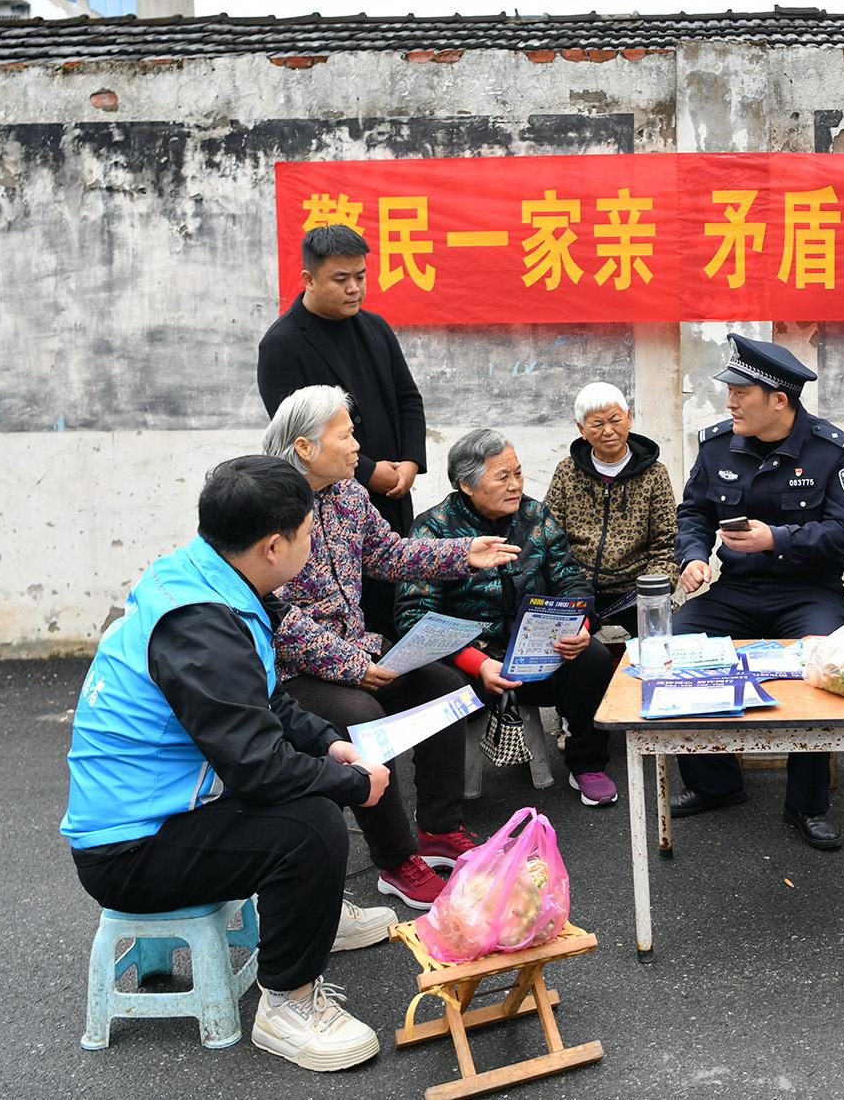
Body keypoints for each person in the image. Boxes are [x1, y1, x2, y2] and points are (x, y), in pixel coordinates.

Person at [61, 456, 396, 1073]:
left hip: (169, 812)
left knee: (309, 793)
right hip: (129, 853)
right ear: (273, 547)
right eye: (307, 533)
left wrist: (328, 744)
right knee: (313, 825)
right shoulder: (201, 626)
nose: (312, 543)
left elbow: (264, 698)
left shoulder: (203, 576)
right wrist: (353, 783)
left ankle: (313, 913)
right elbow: (259, 768)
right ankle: (288, 1005)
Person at [262, 386, 518, 909]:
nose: (359, 446)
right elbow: (275, 616)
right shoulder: (267, 506)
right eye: (346, 435)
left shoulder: (348, 494)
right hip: (292, 671)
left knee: (445, 687)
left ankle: (440, 830)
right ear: (305, 447)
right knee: (364, 717)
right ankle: (396, 860)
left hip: (357, 648)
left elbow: (390, 554)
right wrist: (353, 666)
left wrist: (463, 553)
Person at [669, 334, 844, 851]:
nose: (730, 402)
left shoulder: (831, 451)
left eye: (741, 393)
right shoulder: (716, 446)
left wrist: (776, 538)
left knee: (820, 663)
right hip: (736, 590)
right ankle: (714, 782)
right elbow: (694, 512)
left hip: (808, 591)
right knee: (678, 644)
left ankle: (807, 804)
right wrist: (693, 556)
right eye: (730, 391)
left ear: (779, 399)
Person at [396, 429, 619, 807]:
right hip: (467, 663)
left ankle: (587, 763)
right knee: (435, 683)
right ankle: (440, 802)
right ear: (466, 484)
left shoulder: (535, 516)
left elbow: (571, 580)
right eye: (502, 476)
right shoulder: (433, 529)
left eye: (517, 473)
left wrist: (580, 627)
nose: (515, 484)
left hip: (534, 653)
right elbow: (414, 615)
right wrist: (478, 662)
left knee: (593, 657)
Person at [258, 225, 429, 640]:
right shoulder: (281, 344)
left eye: (360, 276)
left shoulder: (375, 328)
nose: (354, 288)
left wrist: (409, 463)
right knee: (347, 616)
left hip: (392, 495)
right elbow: (298, 436)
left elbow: (408, 398)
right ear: (309, 279)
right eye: (341, 279)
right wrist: (369, 472)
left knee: (394, 607)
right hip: (327, 505)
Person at [541, 381, 679, 634]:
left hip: (634, 590)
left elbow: (666, 544)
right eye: (597, 424)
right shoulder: (567, 471)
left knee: (664, 637)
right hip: (575, 587)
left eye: (615, 420)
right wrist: (565, 584)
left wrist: (652, 589)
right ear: (581, 429)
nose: (608, 431)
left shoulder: (654, 474)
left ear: (629, 419)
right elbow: (550, 536)